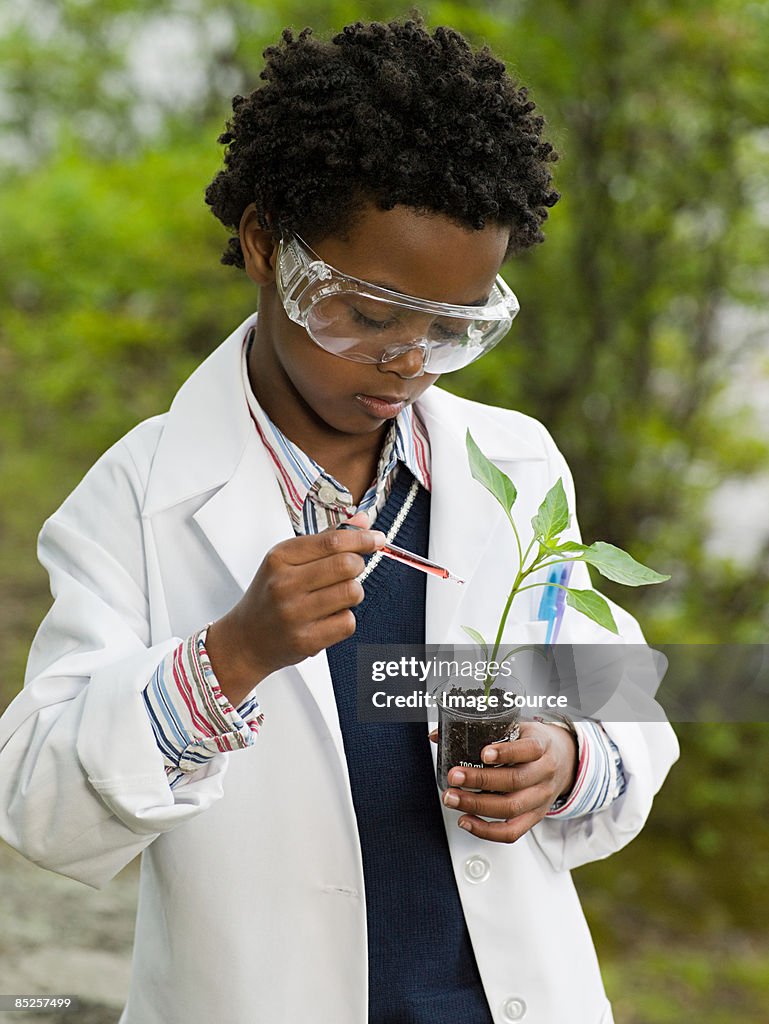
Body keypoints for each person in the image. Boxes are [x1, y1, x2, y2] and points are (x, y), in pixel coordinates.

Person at [0, 17, 678, 1024]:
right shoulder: (136, 497)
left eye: (449, 330)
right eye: (365, 315)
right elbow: (37, 805)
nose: (407, 362)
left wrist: (566, 757)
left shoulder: (514, 464)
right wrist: (228, 655)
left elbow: (619, 688)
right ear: (268, 245)